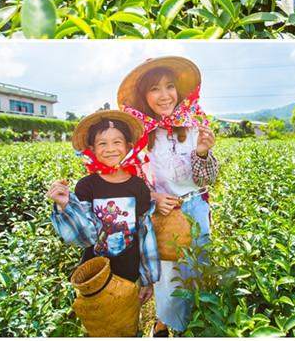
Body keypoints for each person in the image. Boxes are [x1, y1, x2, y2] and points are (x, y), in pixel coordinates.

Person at [118, 57, 219, 337]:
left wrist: (202, 153)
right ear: (144, 96)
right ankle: (163, 323)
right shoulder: (140, 135)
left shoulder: (195, 123)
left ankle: (191, 324)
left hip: (195, 206)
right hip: (164, 213)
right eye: (154, 89)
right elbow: (131, 180)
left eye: (169, 86)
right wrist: (152, 197)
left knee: (197, 268)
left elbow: (207, 178)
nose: (164, 96)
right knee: (168, 272)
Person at [48, 110, 158, 332]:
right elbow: (86, 237)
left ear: (128, 145)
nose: (110, 149)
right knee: (100, 327)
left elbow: (145, 233)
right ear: (92, 149)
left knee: (127, 325)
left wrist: (148, 278)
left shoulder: (138, 186)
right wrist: (65, 205)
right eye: (102, 143)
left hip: (129, 273)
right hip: (97, 276)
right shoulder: (87, 186)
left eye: (117, 142)